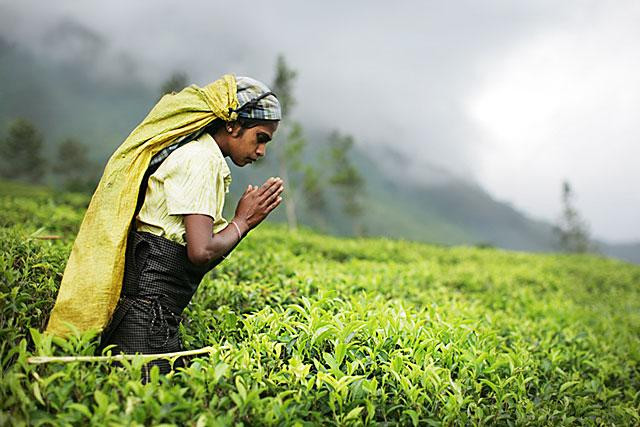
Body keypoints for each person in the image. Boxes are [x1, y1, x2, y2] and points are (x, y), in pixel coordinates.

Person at [46, 74, 284, 377]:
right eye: (260, 137)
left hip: (152, 319)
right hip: (147, 322)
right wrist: (242, 221)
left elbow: (188, 259)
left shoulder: (200, 156)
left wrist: (242, 223)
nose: (261, 151)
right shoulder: (200, 160)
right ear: (232, 125)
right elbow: (201, 252)